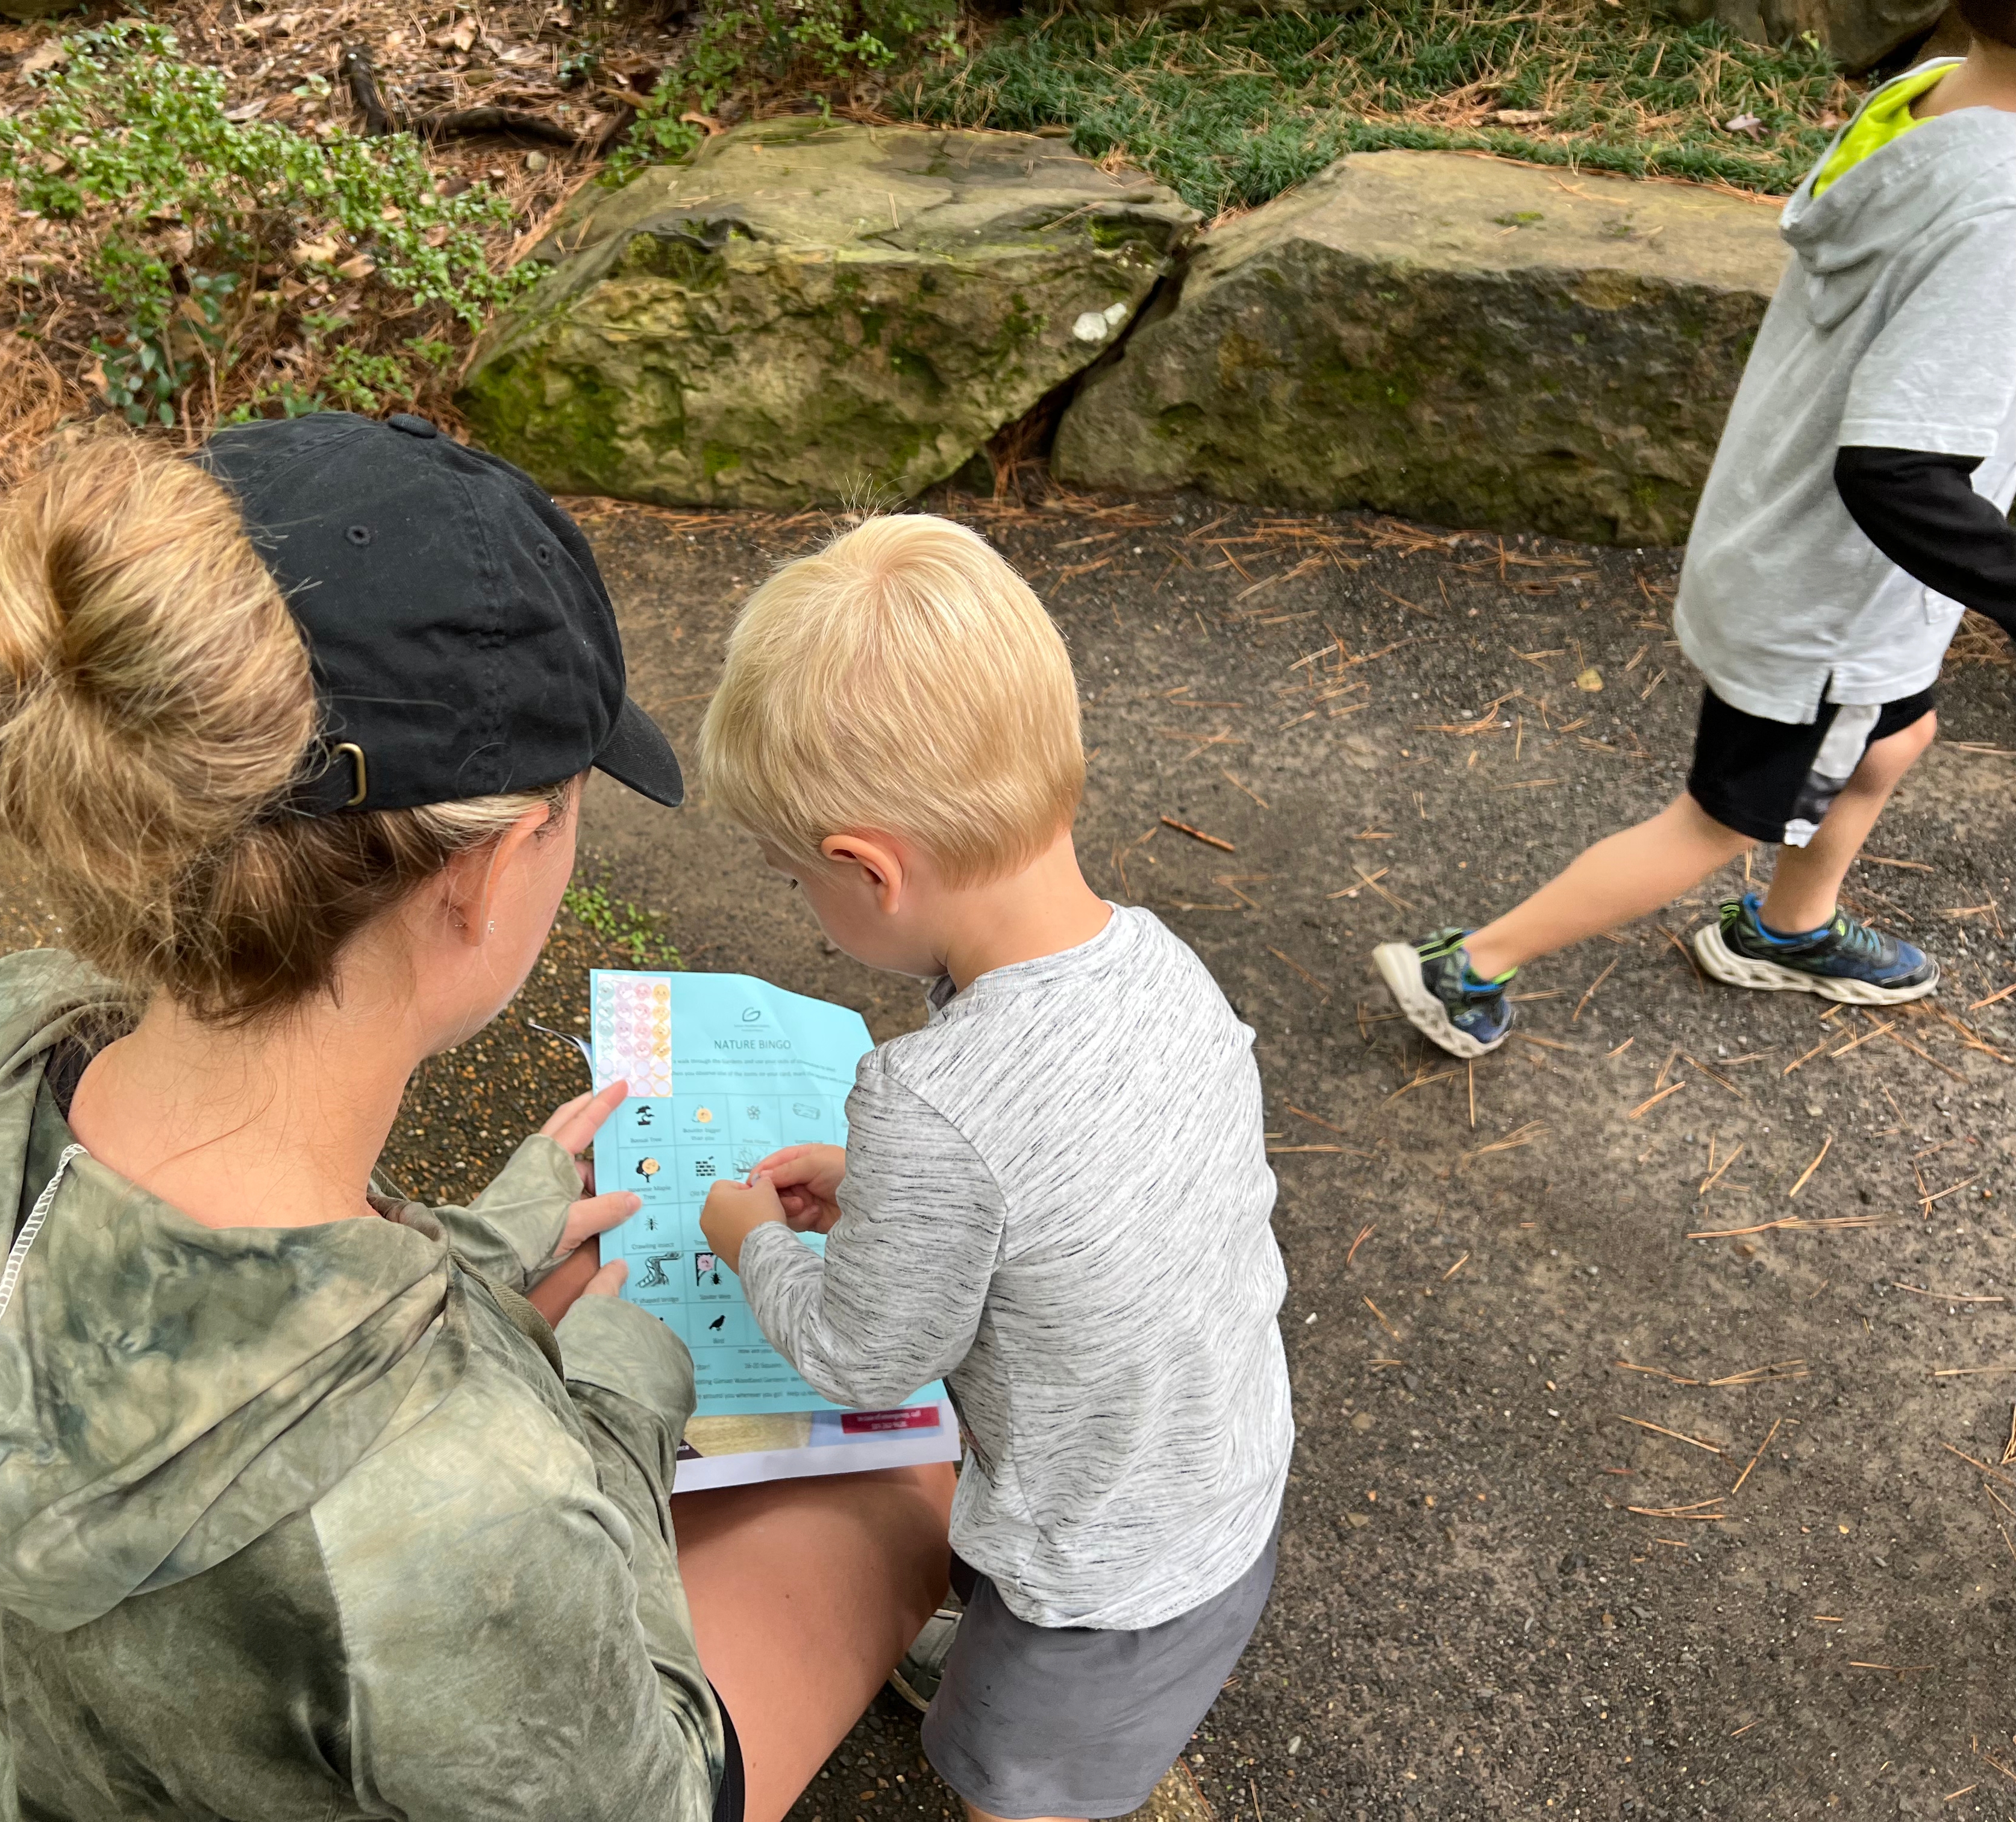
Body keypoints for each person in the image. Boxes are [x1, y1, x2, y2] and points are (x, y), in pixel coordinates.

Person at [0, 412, 952, 1821]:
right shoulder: (468, 1509)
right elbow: (653, 1798)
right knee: (904, 1501)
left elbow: (163, 1301)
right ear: (482, 878)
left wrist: (470, 1264)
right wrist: (615, 1383)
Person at [687, 515, 1294, 1822]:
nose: (807, 900)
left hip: (1096, 1576)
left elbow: (863, 1357)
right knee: (1036, 1701)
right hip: (1215, 1471)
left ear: (866, 871)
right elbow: (1084, 1180)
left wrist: (748, 1233)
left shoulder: (933, 1093)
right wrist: (894, 1192)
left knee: (1015, 1782)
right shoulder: (1161, 963)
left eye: (799, 879)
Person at [1373, 3, 2016, 1058]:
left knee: (1897, 738)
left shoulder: (1934, 89)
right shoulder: (2002, 209)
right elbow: (1897, 473)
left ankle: (1796, 925)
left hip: (1789, 546)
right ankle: (1467, 968)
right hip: (1830, 609)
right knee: (1716, 825)